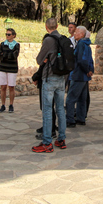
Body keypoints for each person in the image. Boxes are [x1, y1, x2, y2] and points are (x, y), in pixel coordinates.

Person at [32, 18, 67, 153]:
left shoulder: (48, 40)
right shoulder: (64, 39)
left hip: (50, 77)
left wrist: (46, 59)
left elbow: (39, 60)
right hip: (62, 78)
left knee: (47, 110)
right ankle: (61, 139)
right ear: (57, 26)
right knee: (60, 109)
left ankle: (47, 142)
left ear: (46, 27)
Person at [66, 26, 93, 128]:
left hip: (78, 75)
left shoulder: (81, 44)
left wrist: (86, 70)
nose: (74, 33)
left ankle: (70, 120)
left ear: (82, 34)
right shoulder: (87, 44)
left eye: (77, 32)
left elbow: (81, 60)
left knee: (70, 99)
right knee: (82, 99)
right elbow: (89, 59)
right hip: (84, 77)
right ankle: (81, 119)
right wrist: (90, 70)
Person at [0, 28, 20, 113]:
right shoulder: (2, 44)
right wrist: (7, 55)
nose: (7, 36)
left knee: (11, 86)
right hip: (3, 68)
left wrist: (5, 55)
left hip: (12, 68)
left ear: (13, 35)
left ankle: (11, 104)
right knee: (3, 86)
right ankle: (3, 105)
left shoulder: (16, 45)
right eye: (6, 34)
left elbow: (14, 56)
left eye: (9, 34)